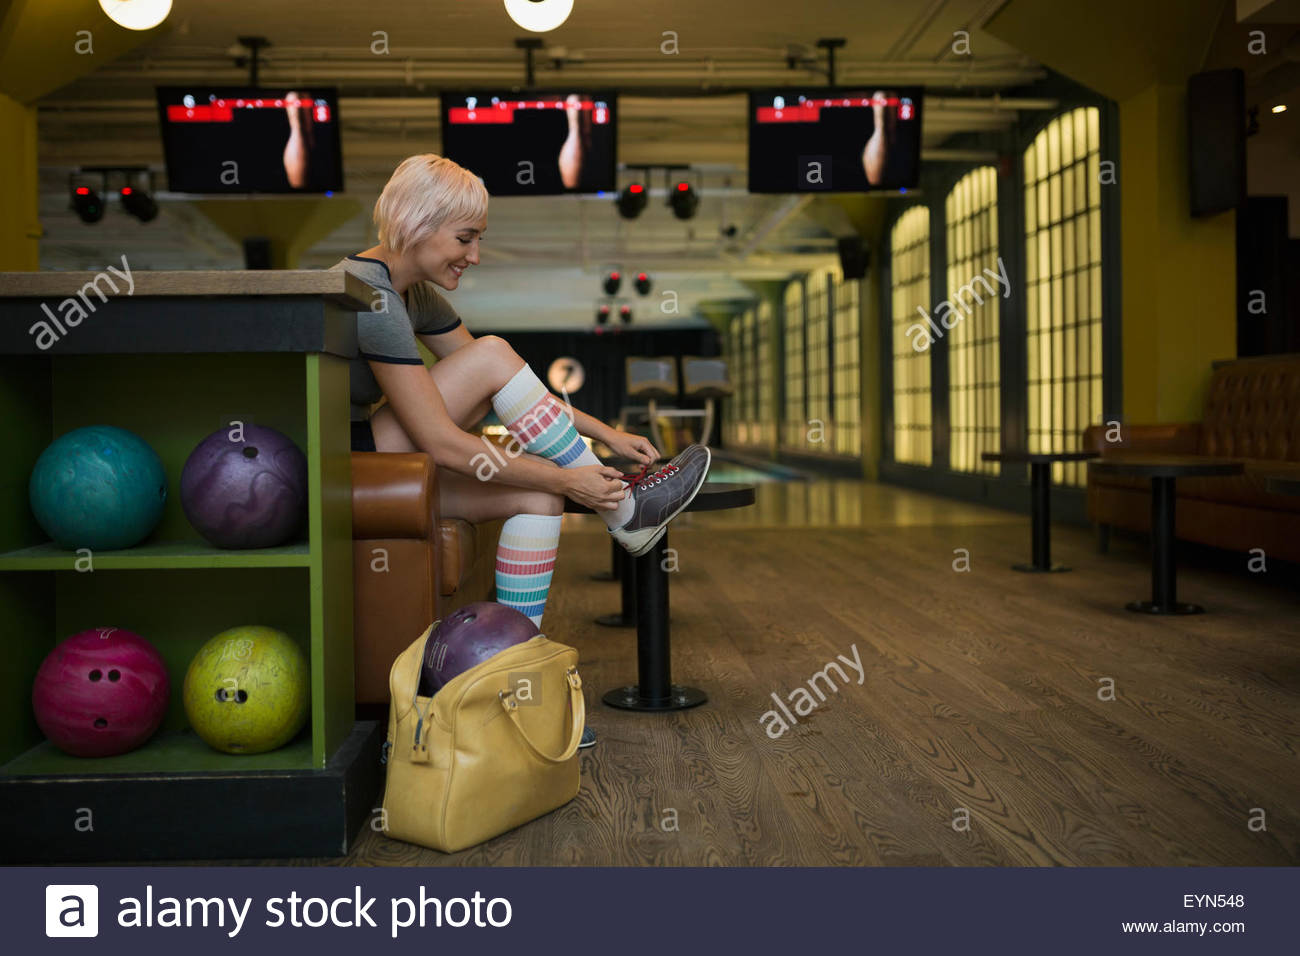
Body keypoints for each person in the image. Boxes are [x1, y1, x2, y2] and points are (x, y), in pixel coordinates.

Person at [332, 155, 712, 744]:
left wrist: (603, 434)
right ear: (415, 222)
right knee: (496, 364)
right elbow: (439, 440)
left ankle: (512, 689)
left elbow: (512, 386)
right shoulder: (373, 296)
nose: (474, 255)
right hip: (343, 471)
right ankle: (626, 512)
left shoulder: (416, 295)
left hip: (381, 465)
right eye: (465, 238)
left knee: (536, 498)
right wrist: (573, 477)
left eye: (478, 240)